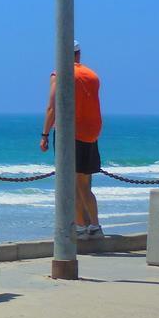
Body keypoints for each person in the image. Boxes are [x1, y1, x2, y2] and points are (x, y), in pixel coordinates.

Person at [39, 40, 103, 237]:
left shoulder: (60, 75)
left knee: (71, 183)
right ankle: (95, 225)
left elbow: (52, 107)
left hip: (71, 133)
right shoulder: (92, 75)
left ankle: (81, 226)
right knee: (84, 184)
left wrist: (45, 134)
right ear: (79, 54)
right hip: (92, 134)